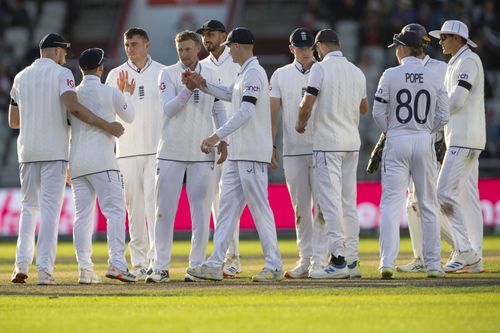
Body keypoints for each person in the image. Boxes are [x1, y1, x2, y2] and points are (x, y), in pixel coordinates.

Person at [9, 33, 124, 285]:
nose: (66, 57)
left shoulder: (20, 77)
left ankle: (20, 265)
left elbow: (13, 121)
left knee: (29, 209)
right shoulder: (63, 75)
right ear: (57, 51)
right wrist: (106, 125)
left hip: (26, 152)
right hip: (54, 152)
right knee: (49, 211)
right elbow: (73, 107)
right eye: (65, 52)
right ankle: (44, 272)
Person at [185, 27, 283, 282]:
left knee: (259, 208)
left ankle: (273, 265)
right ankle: (215, 263)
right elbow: (230, 94)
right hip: (240, 153)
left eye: (230, 46)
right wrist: (204, 85)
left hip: (250, 152)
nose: (228, 50)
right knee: (227, 210)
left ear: (238, 46)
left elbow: (246, 111)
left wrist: (216, 136)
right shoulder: (244, 73)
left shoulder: (253, 73)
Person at [368, 23, 454, 274]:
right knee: (428, 204)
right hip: (423, 139)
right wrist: (427, 130)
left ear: (405, 49)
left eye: (398, 47)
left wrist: (391, 130)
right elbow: (444, 116)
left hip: (397, 139)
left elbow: (377, 112)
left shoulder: (390, 74)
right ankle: (434, 264)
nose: (396, 51)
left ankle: (386, 262)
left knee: (391, 204)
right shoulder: (433, 75)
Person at [145, 30, 227, 283]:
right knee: (163, 212)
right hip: (170, 151)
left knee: (201, 213)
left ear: (198, 48)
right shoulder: (167, 74)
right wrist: (188, 90)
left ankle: (197, 266)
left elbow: (218, 107)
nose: (183, 54)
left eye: (188, 49)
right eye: (180, 50)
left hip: (202, 152)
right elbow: (169, 109)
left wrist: (223, 139)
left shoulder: (211, 74)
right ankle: (160, 266)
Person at [296, 29, 367, 279]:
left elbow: (307, 103)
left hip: (328, 143)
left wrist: (300, 123)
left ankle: (337, 260)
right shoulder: (357, 72)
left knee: (330, 203)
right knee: (348, 202)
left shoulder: (320, 69)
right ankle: (353, 261)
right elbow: (364, 106)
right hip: (351, 142)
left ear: (319, 47)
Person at [71, 48, 137, 283]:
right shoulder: (110, 92)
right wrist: (126, 94)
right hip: (103, 162)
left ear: (81, 69)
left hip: (78, 162)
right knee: (115, 213)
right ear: (100, 68)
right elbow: (129, 117)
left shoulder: (73, 94)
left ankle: (85, 270)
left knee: (82, 217)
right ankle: (117, 264)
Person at [269, 27, 328, 279]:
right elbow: (273, 113)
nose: (304, 52)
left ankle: (320, 260)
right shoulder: (281, 75)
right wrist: (270, 145)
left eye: (308, 47)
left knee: (323, 207)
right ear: (291, 48)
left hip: (322, 147)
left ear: (313, 48)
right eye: (299, 47)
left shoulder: (324, 70)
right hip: (293, 150)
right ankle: (305, 259)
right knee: (300, 209)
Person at [105, 28, 164, 279]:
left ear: (147, 45)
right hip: (126, 151)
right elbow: (108, 113)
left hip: (155, 150)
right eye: (127, 44)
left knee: (154, 208)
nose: (131, 48)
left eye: (135, 44)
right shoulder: (114, 75)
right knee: (134, 210)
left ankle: (157, 260)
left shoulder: (163, 72)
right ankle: (139, 262)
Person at [429, 20, 485, 273]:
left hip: (463, 139)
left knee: (442, 194)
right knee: (468, 199)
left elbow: (458, 100)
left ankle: (465, 251)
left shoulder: (468, 61)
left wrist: (434, 119)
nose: (440, 41)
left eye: (444, 37)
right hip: (465, 138)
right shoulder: (458, 62)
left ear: (458, 39)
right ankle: (476, 257)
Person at [197, 20, 242, 277]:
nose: (207, 38)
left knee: (229, 202)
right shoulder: (201, 66)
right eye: (204, 35)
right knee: (214, 202)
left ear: (223, 36)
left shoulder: (236, 60)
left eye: (211, 34)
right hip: (210, 141)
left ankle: (232, 258)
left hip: (235, 138)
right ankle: (218, 257)